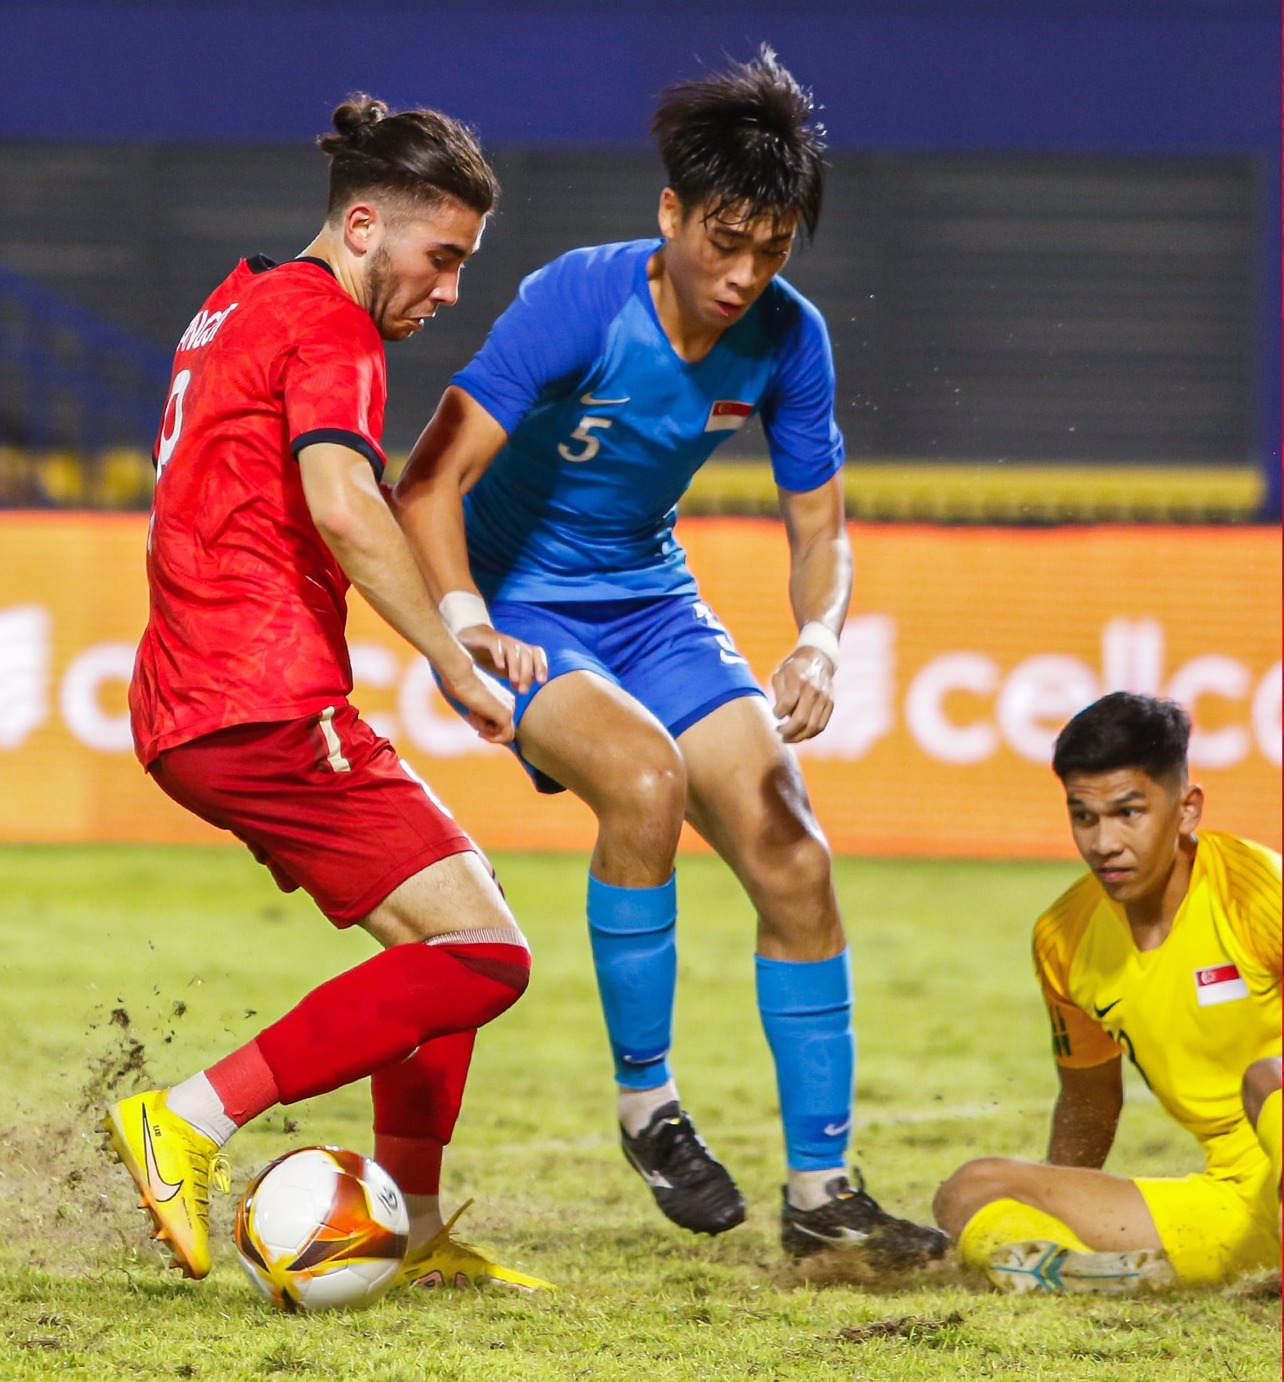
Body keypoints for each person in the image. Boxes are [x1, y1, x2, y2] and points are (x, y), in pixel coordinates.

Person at [391, 46, 946, 1269]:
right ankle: (651, 1108)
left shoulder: (790, 342)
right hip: (522, 605)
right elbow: (426, 477)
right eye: (725, 241)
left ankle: (824, 1193)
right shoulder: (577, 300)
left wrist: (817, 635)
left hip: (653, 601)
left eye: (775, 247)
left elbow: (822, 535)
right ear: (671, 215)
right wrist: (463, 618)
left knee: (794, 846)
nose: (745, 274)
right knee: (641, 780)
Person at [101, 95, 552, 1294]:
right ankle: (190, 1116)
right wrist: (456, 662)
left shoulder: (236, 299)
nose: (450, 288)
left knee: (448, 932)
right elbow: (348, 504)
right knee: (487, 953)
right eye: (441, 256)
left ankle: (410, 1230)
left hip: (200, 694)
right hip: (258, 695)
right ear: (363, 224)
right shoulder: (332, 328)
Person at [933, 692, 1281, 1294]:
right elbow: (1090, 1101)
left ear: (1188, 808)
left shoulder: (1258, 894)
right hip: (1234, 1206)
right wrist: (1063, 1205)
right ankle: (1066, 1270)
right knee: (972, 1187)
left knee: (1267, 1077)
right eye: (1084, 817)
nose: (1104, 843)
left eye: (1129, 812)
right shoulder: (1064, 938)